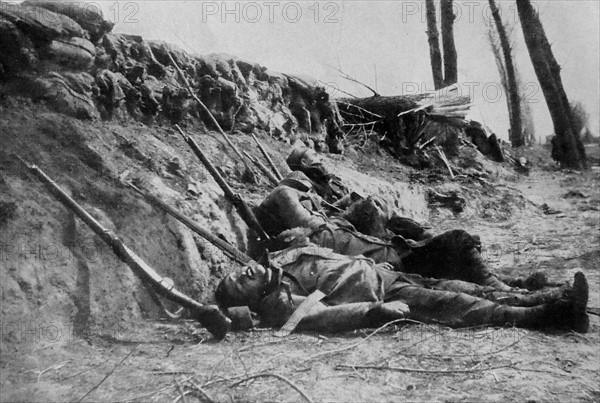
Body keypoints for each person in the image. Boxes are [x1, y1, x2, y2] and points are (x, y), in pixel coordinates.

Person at [215, 245, 590, 334]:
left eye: (237, 271)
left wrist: (377, 265)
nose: (243, 272)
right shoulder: (279, 303)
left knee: (463, 286)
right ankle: (547, 317)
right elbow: (323, 315)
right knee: (458, 304)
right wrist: (372, 313)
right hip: (385, 297)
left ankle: (551, 297)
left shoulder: (283, 258)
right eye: (239, 283)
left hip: (385, 275)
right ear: (250, 298)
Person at [255, 171, 522, 291]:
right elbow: (286, 196)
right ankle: (499, 287)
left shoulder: (328, 223)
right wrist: (299, 196)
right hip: (393, 264)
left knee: (457, 251)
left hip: (394, 257)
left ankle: (506, 286)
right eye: (307, 195)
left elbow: (338, 211)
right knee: (458, 240)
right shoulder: (313, 226)